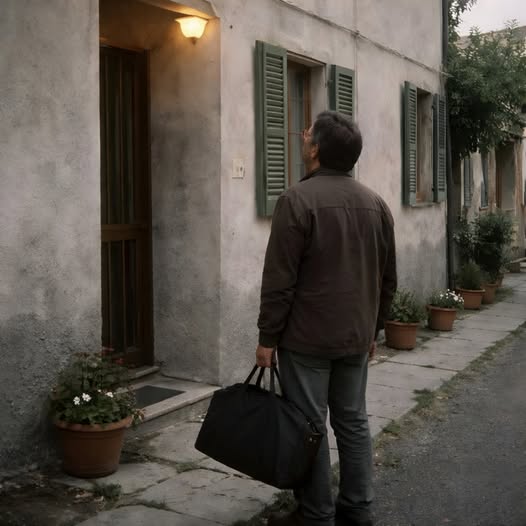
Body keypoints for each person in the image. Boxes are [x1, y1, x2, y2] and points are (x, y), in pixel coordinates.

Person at [255, 111, 397, 526]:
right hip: (355, 338)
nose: (303, 138)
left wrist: (267, 338)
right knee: (353, 422)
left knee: (309, 425)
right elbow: (388, 279)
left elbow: (279, 280)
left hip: (307, 340)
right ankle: (357, 507)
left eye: (307, 135)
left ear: (315, 149)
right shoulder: (377, 204)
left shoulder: (296, 201)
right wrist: (374, 329)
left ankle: (316, 514)